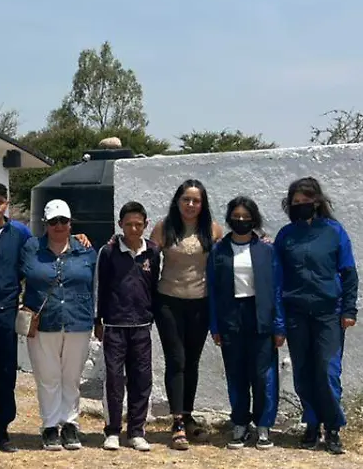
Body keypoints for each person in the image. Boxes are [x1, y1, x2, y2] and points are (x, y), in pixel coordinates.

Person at [0, 182, 91, 453]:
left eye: (1, 201)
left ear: (6, 204)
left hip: (7, 311)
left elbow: (42, 251)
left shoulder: (19, 233)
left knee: (7, 372)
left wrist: (79, 238)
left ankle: (3, 429)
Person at [274, 177, 359, 455]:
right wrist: (279, 320)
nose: (301, 206)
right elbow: (277, 280)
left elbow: (348, 272)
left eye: (306, 201)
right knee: (303, 372)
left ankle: (332, 427)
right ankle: (311, 423)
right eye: (296, 202)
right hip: (296, 313)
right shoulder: (286, 236)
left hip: (329, 314)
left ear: (317, 202)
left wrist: (349, 309)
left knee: (327, 370)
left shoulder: (334, 231)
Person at [206, 196, 286, 451]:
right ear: (230, 219)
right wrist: (215, 326)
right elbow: (213, 289)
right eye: (236, 217)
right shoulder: (219, 250)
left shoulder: (267, 250)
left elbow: (276, 289)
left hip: (259, 315)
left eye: (246, 217)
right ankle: (240, 423)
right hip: (231, 317)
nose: (241, 221)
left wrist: (279, 325)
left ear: (254, 219)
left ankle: (263, 425)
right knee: (236, 374)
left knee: (263, 375)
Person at [151, 180, 224, 450]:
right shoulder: (163, 228)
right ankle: (177, 422)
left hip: (200, 303)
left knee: (192, 361)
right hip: (168, 301)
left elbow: (228, 253)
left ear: (202, 204)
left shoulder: (213, 229)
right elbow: (145, 258)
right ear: (177, 201)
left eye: (196, 200)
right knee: (176, 359)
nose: (191, 205)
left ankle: (188, 415)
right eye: (186, 200)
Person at [21, 199, 97, 451]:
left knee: (71, 376)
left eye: (63, 220)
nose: (59, 226)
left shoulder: (86, 250)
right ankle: (51, 425)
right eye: (53, 221)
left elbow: (97, 284)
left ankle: (70, 423)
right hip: (44, 321)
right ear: (45, 223)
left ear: (70, 222)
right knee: (47, 376)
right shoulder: (31, 249)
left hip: (78, 320)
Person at [94, 201, 161, 452]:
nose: (134, 228)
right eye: (129, 224)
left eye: (139, 224)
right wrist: (97, 321)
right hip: (114, 324)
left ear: (145, 225)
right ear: (120, 224)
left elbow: (154, 286)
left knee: (141, 379)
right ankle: (112, 431)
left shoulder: (152, 252)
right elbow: (99, 286)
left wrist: (152, 315)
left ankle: (136, 431)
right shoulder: (109, 252)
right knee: (113, 378)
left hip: (142, 325)